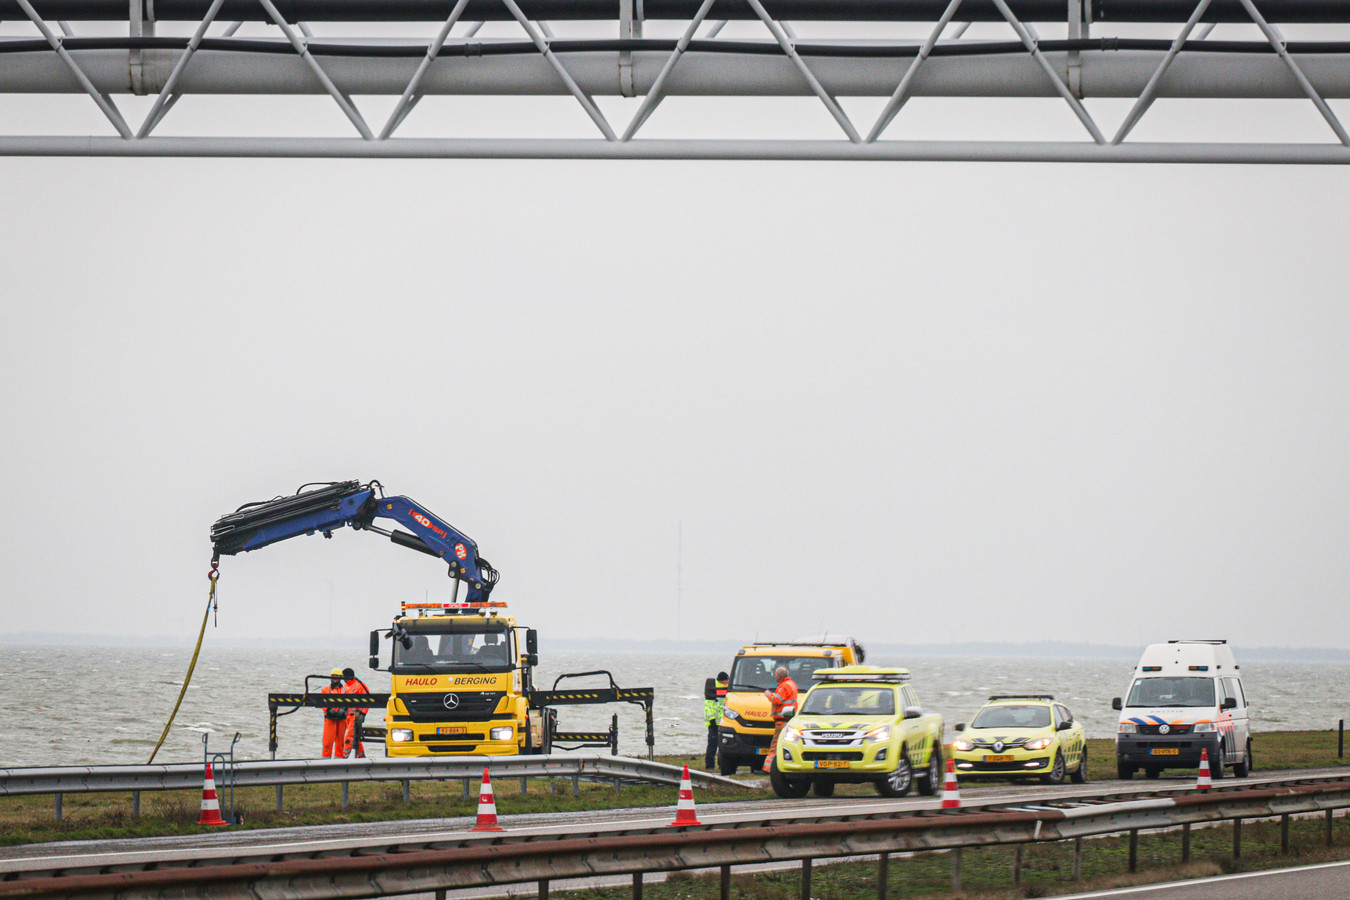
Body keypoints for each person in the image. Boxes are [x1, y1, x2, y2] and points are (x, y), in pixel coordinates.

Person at [762, 666, 799, 773]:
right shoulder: (791, 684)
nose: (774, 676)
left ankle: (768, 768)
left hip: (781, 721)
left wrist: (769, 695)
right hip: (788, 721)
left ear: (781, 676)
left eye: (776, 674)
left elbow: (777, 700)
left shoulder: (784, 686)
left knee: (775, 745)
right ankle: (777, 767)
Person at [341, 667, 371, 758]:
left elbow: (367, 700)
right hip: (347, 716)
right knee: (356, 738)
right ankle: (361, 757)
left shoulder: (360, 685)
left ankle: (343, 757)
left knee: (349, 737)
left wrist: (362, 714)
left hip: (356, 715)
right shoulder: (345, 686)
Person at [320, 667, 349, 758]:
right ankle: (325, 762)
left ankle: (339, 762)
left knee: (341, 743)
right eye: (333, 676)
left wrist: (343, 710)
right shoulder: (326, 690)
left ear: (341, 678)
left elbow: (350, 702)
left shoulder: (345, 690)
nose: (335, 678)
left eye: (337, 676)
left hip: (342, 719)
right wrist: (328, 710)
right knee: (327, 742)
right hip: (330, 718)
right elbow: (321, 701)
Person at [704, 671, 729, 770]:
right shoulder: (714, 688)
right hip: (714, 722)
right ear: (723, 680)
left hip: (724, 721)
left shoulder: (726, 688)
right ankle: (709, 765)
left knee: (723, 745)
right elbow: (709, 705)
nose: (728, 681)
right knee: (713, 744)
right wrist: (712, 720)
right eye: (727, 679)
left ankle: (721, 765)